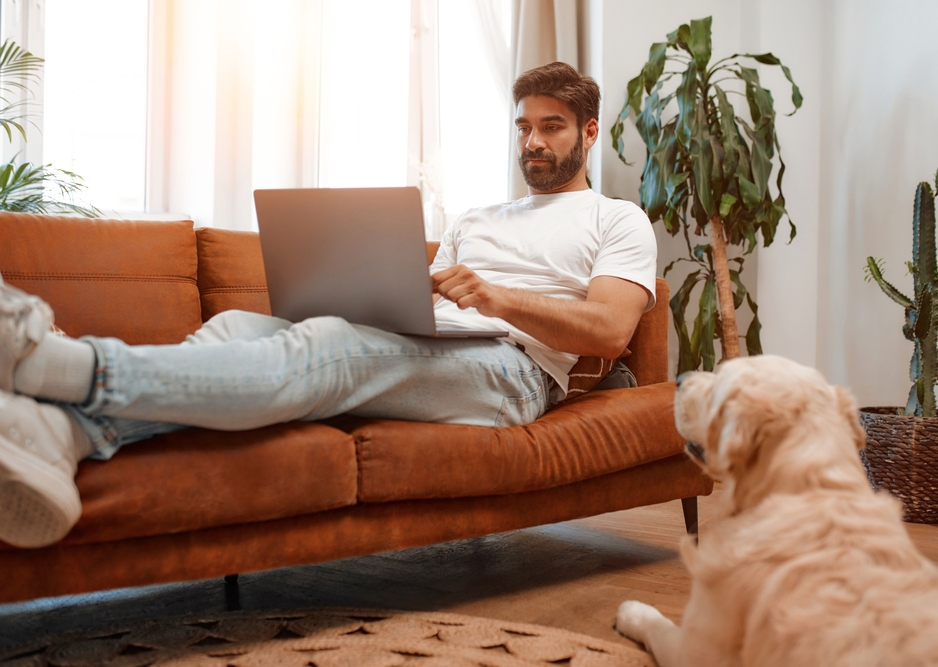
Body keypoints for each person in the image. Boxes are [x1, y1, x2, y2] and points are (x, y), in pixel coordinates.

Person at [0, 62, 657, 549]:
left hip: (509, 372)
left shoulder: (618, 219)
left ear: (589, 131)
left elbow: (607, 331)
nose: (533, 143)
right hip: (436, 344)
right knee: (234, 324)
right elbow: (416, 300)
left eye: (551, 128)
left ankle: (64, 366)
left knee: (329, 346)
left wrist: (498, 297)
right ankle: (68, 434)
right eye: (524, 127)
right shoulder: (476, 217)